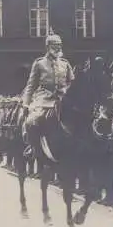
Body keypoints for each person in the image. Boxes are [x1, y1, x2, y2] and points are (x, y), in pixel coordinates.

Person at [21, 28, 75, 159]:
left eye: (59, 46)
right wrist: (26, 104)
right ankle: (32, 147)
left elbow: (72, 82)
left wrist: (67, 90)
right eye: (54, 46)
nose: (57, 48)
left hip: (63, 99)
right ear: (48, 47)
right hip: (44, 99)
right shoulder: (39, 64)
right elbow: (30, 85)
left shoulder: (65, 63)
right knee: (32, 121)